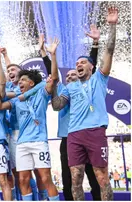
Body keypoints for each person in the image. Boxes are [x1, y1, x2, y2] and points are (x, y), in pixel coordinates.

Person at [51, 6, 118, 201]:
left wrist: (111, 26)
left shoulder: (99, 78)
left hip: (95, 131)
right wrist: (54, 85)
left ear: (92, 66)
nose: (78, 64)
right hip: (74, 135)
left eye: (82, 62)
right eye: (77, 63)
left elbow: (110, 50)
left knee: (102, 178)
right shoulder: (70, 88)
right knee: (75, 180)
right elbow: (56, 106)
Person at [38, 27, 102, 200]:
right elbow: (52, 74)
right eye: (68, 76)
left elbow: (92, 66)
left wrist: (95, 44)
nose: (71, 77)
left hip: (87, 135)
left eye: (74, 74)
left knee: (95, 178)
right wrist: (45, 53)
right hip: (68, 140)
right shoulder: (63, 91)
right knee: (69, 180)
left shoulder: (86, 86)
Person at [0, 37, 61, 201]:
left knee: (45, 178)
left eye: (23, 80)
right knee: (23, 179)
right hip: (22, 144)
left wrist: (51, 55)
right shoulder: (18, 99)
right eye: (20, 80)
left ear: (32, 83)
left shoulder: (41, 94)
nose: (20, 82)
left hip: (39, 142)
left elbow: (53, 78)